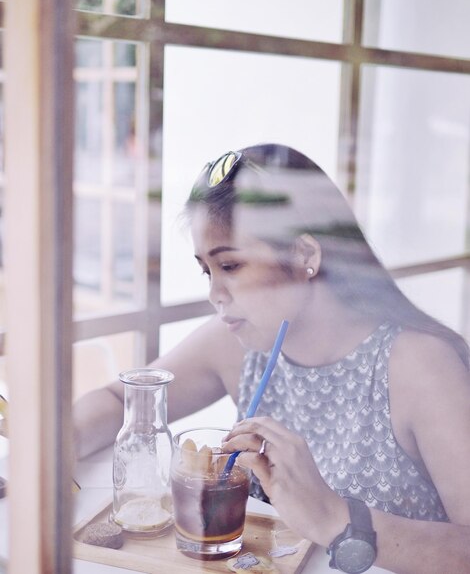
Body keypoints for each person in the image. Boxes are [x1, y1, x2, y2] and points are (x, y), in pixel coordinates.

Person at [74, 144, 470, 573]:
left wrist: (334, 517)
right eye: (207, 271)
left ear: (305, 255)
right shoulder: (240, 342)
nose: (214, 294)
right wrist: (49, 453)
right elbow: (124, 400)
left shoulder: (420, 366)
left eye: (231, 266)